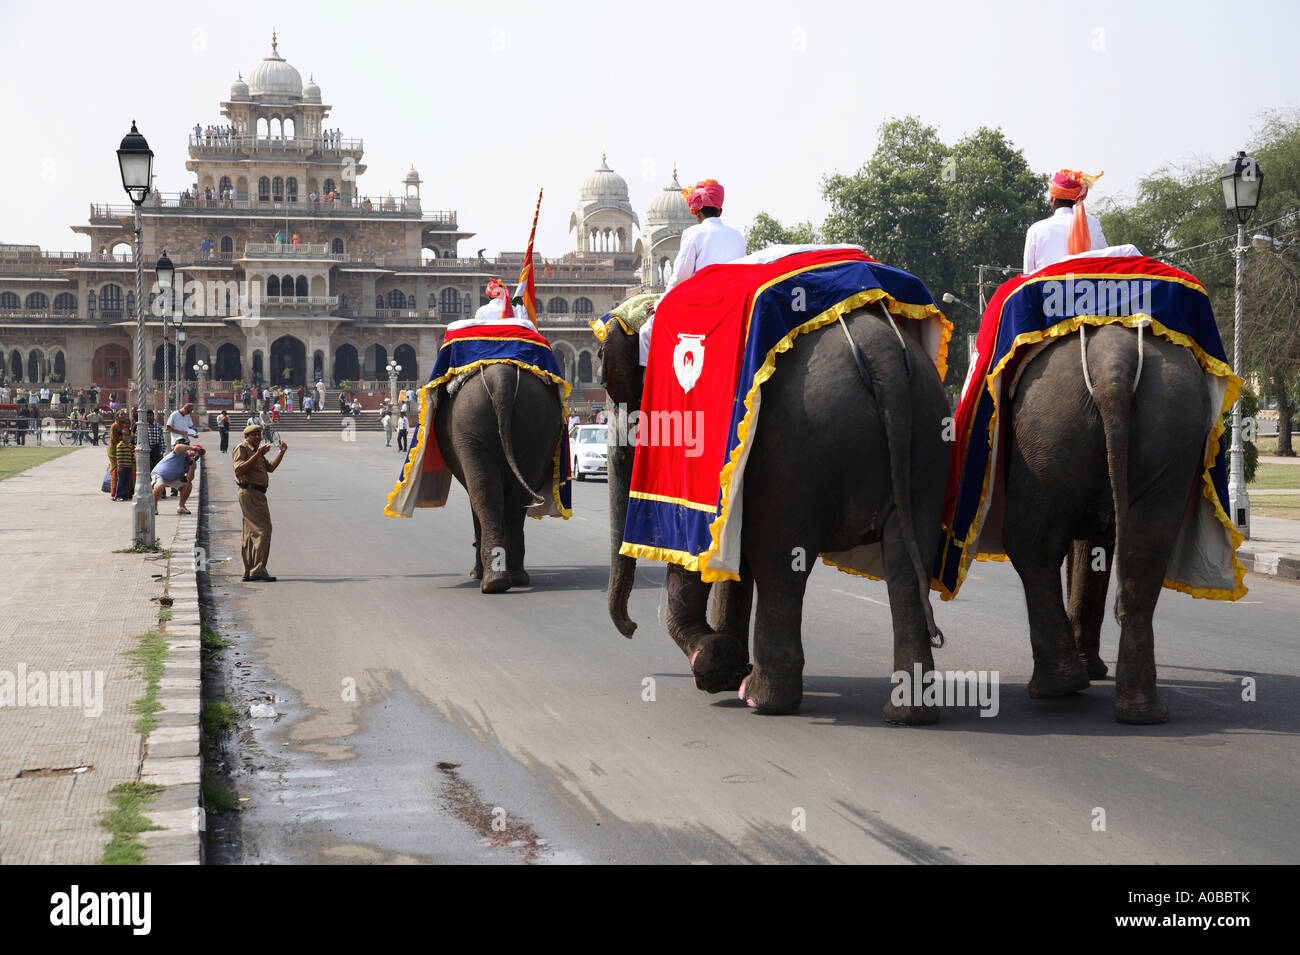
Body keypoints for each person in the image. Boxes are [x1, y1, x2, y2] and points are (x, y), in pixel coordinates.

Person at [638, 178, 746, 365]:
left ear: (696, 212)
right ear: (720, 211)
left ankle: (647, 387)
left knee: (646, 332)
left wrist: (659, 304)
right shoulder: (738, 237)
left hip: (701, 305)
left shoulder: (693, 234)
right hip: (732, 306)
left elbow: (680, 276)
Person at [1023, 169, 1107, 274]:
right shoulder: (1093, 224)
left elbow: (1027, 276)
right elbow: (1106, 262)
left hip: (1045, 289)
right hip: (1087, 289)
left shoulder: (1036, 230)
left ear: (1054, 200)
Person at [232, 423, 287, 582]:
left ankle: (250, 571)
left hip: (257, 494)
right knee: (264, 529)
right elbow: (239, 470)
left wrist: (281, 453)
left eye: (259, 434)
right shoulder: (242, 448)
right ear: (246, 437)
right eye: (253, 434)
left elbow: (270, 468)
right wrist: (257, 454)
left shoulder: (258, 451)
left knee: (251, 533)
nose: (257, 437)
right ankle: (258, 570)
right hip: (249, 492)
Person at [152, 441, 204, 514]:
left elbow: (189, 479)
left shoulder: (193, 463)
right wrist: (192, 448)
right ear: (189, 450)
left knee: (188, 485)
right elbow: (177, 446)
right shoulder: (181, 452)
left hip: (174, 478)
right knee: (160, 487)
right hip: (160, 474)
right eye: (195, 452)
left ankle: (181, 507)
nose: (196, 454)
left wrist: (191, 465)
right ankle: (153, 506)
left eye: (198, 454)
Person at [112, 421, 136, 501]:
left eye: (128, 435)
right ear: (121, 436)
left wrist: (133, 464)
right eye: (125, 435)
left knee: (127, 482)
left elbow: (132, 456)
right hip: (122, 467)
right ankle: (118, 496)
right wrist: (119, 466)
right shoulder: (120, 445)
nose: (126, 437)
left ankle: (125, 495)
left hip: (129, 467)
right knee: (121, 482)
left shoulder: (130, 446)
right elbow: (119, 457)